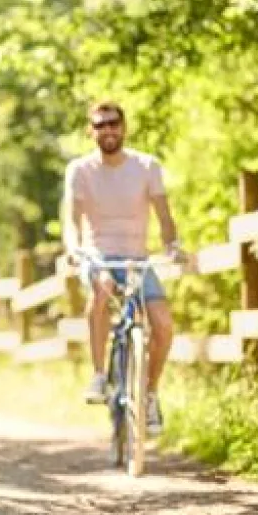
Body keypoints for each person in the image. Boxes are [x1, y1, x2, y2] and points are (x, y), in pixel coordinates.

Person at [63, 100, 184, 437]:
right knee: (101, 286)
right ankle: (100, 374)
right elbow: (72, 220)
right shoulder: (80, 170)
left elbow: (164, 216)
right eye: (100, 125)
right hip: (100, 256)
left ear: (124, 126)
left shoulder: (146, 166)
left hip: (138, 259)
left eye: (113, 123)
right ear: (91, 131)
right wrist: (74, 249)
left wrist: (173, 246)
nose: (108, 130)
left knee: (162, 323)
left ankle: (149, 394)